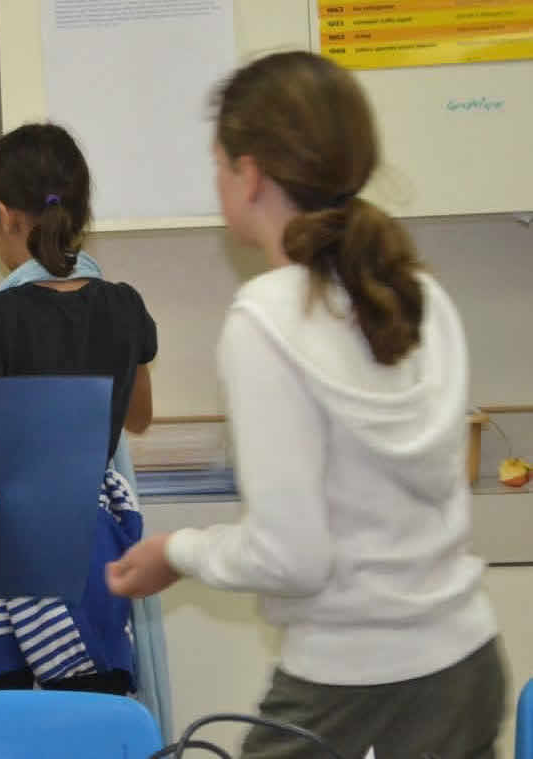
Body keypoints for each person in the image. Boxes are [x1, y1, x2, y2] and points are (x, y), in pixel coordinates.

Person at [106, 52, 506, 758]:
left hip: (348, 683)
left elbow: (291, 556)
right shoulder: (423, 294)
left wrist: (178, 550)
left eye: (218, 164)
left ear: (250, 174)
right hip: (466, 665)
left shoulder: (266, 318)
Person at [0, 123, 157, 696]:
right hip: (94, 544)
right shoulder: (124, 307)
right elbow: (139, 416)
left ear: (2, 215)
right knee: (90, 717)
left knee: (4, 724)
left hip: (13, 554)